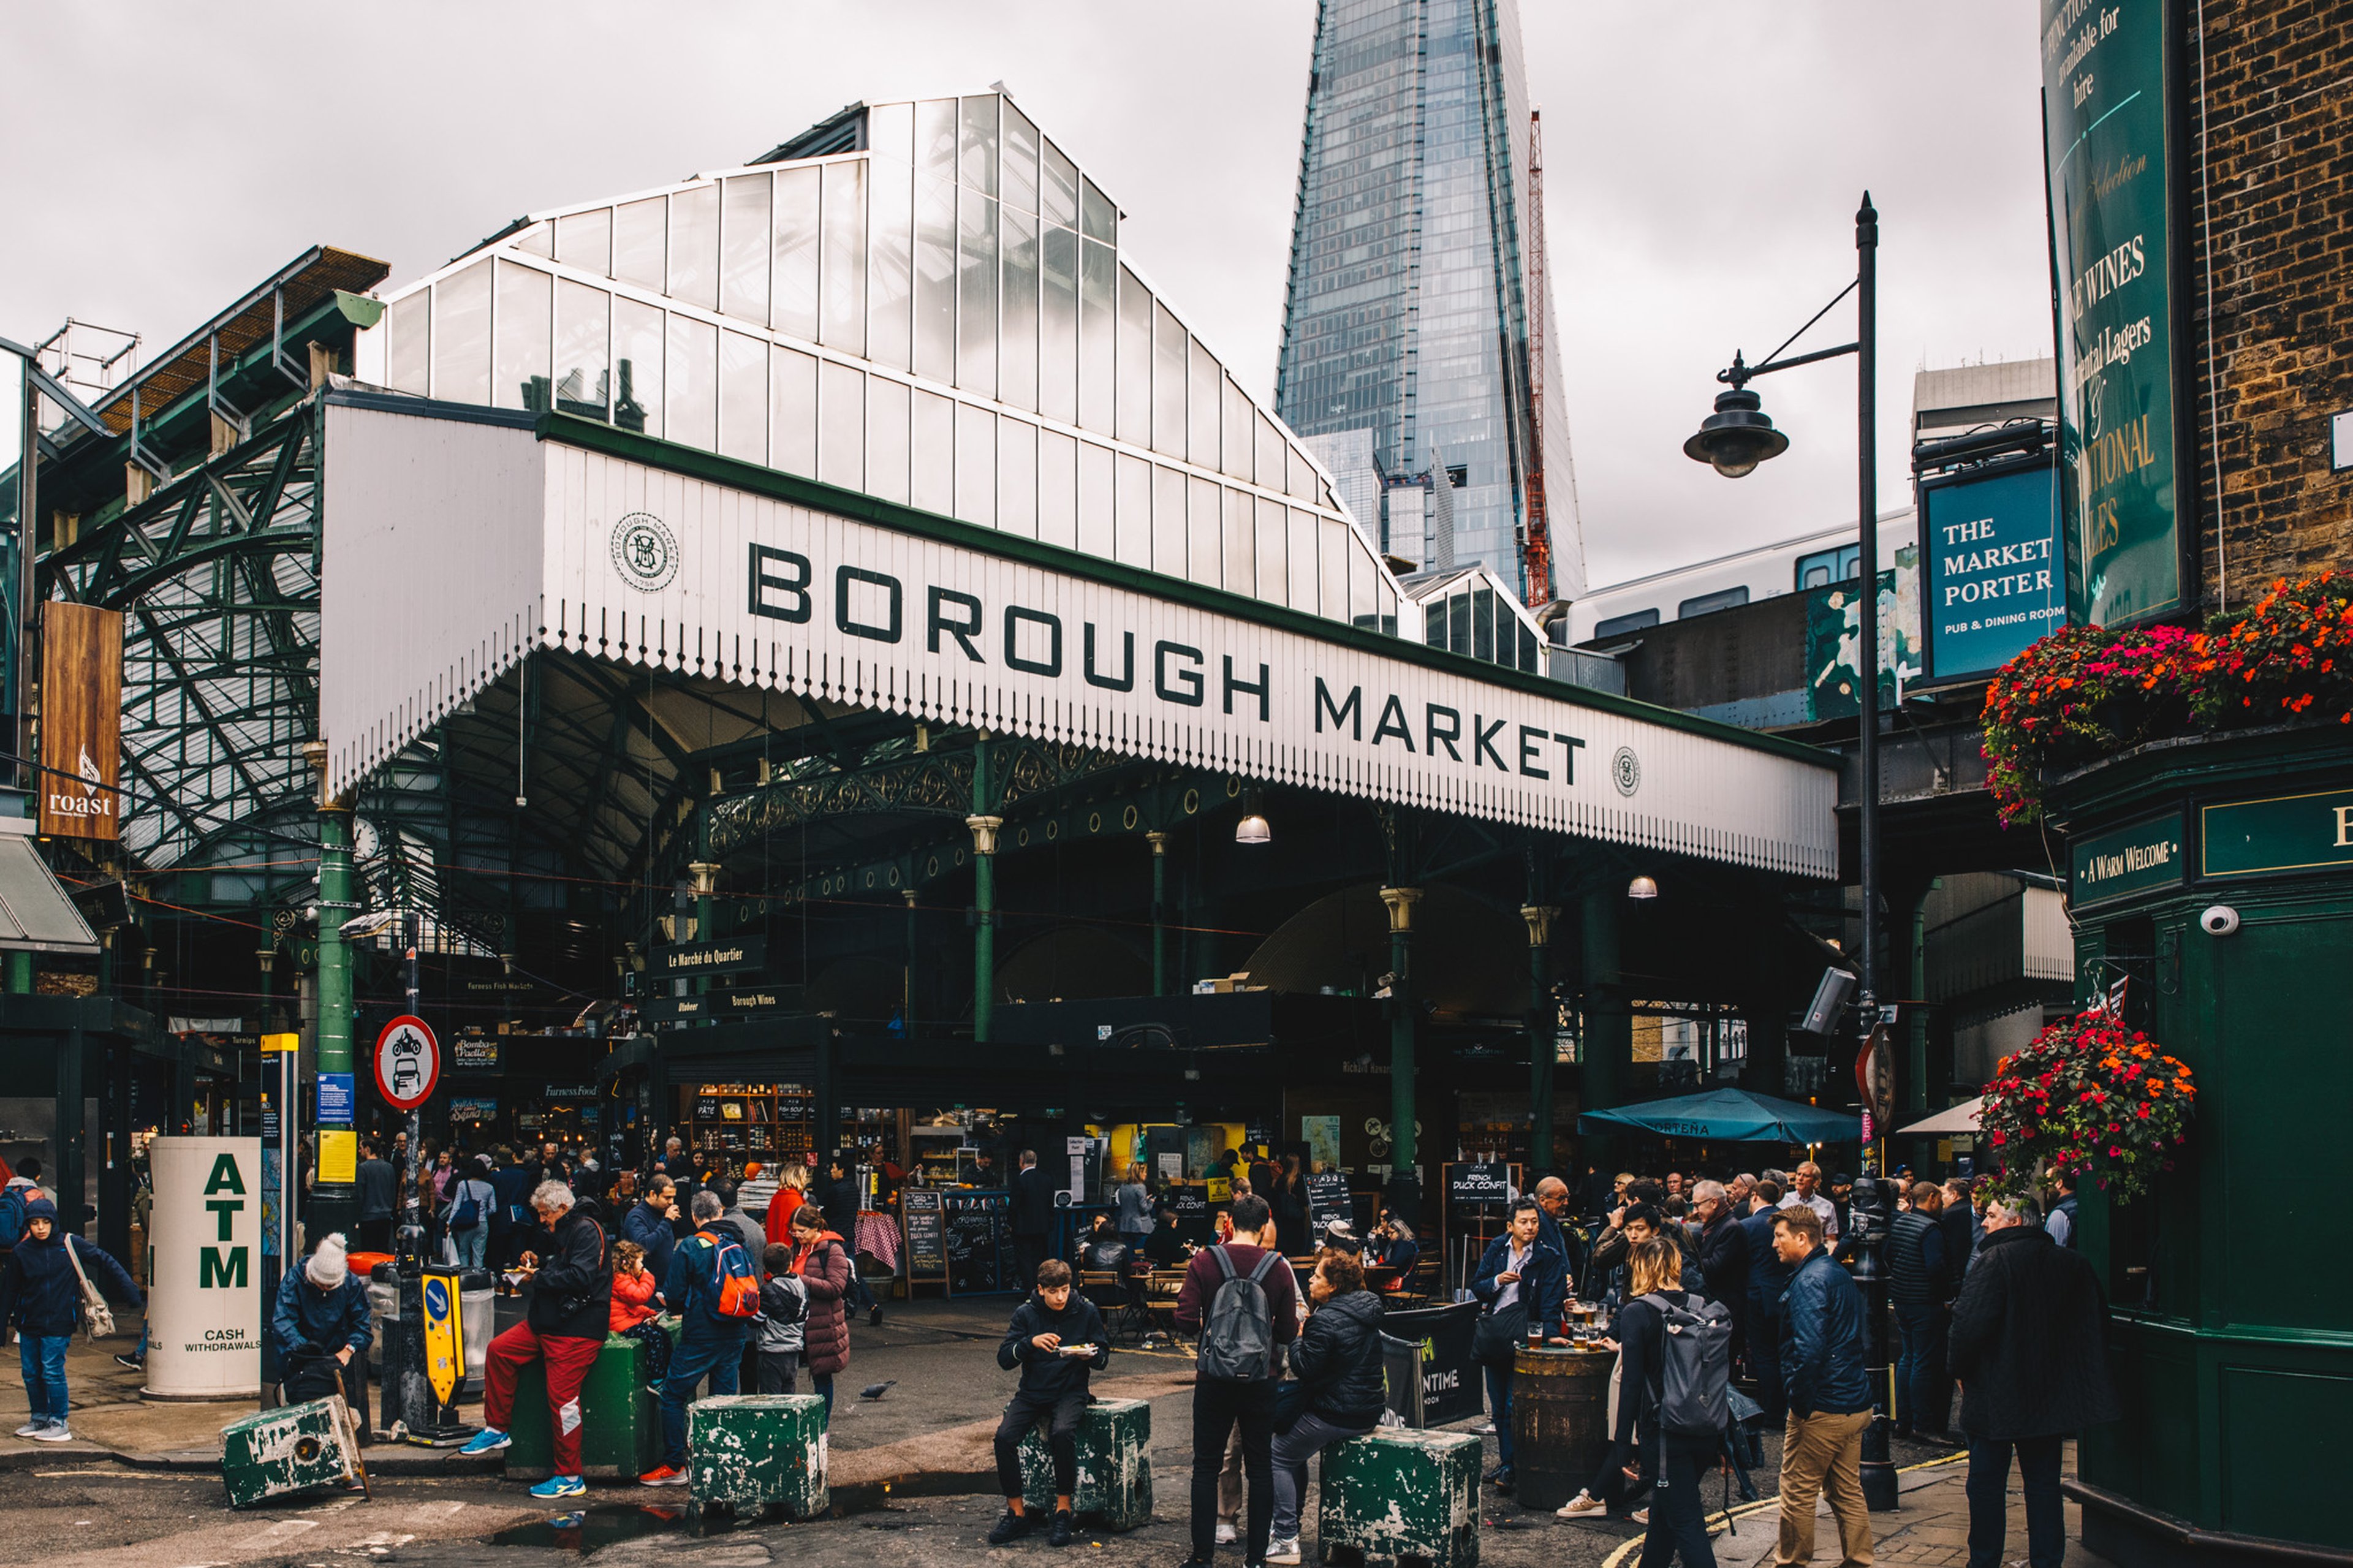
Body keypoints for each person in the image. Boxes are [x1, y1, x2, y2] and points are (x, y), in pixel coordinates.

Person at [1949, 1194, 2119, 1568]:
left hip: (1996, 1395)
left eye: (1992, 1215)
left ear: (2015, 1222)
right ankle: (2046, 1560)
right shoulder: (2072, 1262)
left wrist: (1958, 1370)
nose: (1986, 1222)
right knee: (2043, 1486)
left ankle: (1984, 1561)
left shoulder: (1995, 1260)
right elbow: (2095, 1325)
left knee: (1986, 1486)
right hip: (2047, 1396)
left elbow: (1967, 1327)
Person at [1557, 1239, 1714, 1559]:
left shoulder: (1638, 1312)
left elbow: (1631, 1385)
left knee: (1686, 1522)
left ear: (1641, 1268)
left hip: (1665, 1433)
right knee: (1664, 1518)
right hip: (1704, 1427)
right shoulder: (1701, 1305)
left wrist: (1623, 1446)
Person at [461, 1181, 612, 1499]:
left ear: (562, 1209)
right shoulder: (569, 1232)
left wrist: (537, 1277)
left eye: (545, 1214)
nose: (542, 1220)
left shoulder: (586, 1231)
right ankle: (497, 1429)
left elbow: (581, 1277)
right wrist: (539, 1262)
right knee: (499, 1351)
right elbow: (566, 1268)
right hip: (549, 1324)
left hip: (575, 1332)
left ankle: (570, 1476)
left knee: (563, 1402)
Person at [1175, 1192, 1300, 1568]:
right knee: (1260, 1468)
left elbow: (1183, 1321)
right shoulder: (1278, 1267)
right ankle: (1256, 1559)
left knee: (1205, 1466)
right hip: (1261, 1380)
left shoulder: (1204, 1261)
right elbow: (1289, 1333)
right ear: (1264, 1226)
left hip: (1213, 1379)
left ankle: (1202, 1557)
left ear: (1230, 1223)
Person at [1264, 1249, 1387, 1564]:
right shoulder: (1368, 1308)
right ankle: (1289, 1519)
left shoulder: (1325, 1320)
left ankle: (1286, 1537)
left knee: (1277, 1453)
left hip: (1336, 1413)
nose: (1310, 1279)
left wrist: (1297, 1337)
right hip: (1368, 1409)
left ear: (1333, 1286)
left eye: (1316, 1276)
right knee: (1294, 1449)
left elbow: (1305, 1368)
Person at [1772, 1204, 1873, 1568]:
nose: (1774, 1244)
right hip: (1854, 1402)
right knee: (1846, 1489)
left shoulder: (1810, 1281)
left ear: (1802, 1238)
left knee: (1797, 1490)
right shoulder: (1834, 1272)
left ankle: (1792, 1562)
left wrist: (1800, 1404)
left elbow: (1809, 1351)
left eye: (1780, 1236)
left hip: (1823, 1407)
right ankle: (1860, 1560)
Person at [988, 1258, 1112, 1548]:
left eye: (1065, 1290)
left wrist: (1090, 1355)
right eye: (1054, 1292)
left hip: (1072, 1391)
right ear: (1041, 1289)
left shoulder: (1087, 1311)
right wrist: (1029, 1343)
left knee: (1062, 1433)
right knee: (1004, 1438)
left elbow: (1104, 1359)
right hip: (1032, 1392)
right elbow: (1005, 1359)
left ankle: (1063, 1510)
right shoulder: (1026, 1314)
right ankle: (1017, 1514)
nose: (1060, 1298)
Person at [3, 1195, 142, 1442]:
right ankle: (39, 1418)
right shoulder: (22, 1252)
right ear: (28, 1225)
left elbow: (105, 1260)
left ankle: (59, 1422)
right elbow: (10, 1290)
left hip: (59, 1321)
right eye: (35, 1223)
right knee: (31, 1372)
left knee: (52, 1370)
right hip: (29, 1323)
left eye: (45, 1222)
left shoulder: (69, 1244)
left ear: (53, 1221)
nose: (41, 1228)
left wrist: (129, 1290)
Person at [639, 1190, 754, 1486]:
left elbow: (675, 1294)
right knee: (724, 1398)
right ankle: (721, 1459)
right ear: (720, 1211)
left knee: (674, 1395)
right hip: (736, 1331)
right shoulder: (738, 1241)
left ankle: (675, 1464)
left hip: (702, 1332)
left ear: (694, 1217)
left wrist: (677, 1308)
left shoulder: (691, 1246)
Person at [1469, 1196, 1568, 1492]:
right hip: (1495, 1334)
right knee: (1498, 1406)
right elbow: (1479, 1286)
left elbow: (1551, 1300)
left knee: (1516, 1404)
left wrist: (1550, 1332)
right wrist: (1498, 1280)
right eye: (1524, 1222)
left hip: (1526, 1335)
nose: (1531, 1228)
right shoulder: (1498, 1249)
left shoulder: (1548, 1256)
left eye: (1535, 1222)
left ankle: (1515, 1464)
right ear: (1510, 1225)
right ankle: (1506, 1461)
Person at [1887, 1180, 1950, 1441]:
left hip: (1902, 1298)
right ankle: (1923, 1425)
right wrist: (1946, 1295)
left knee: (1908, 1358)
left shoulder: (1901, 1222)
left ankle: (1903, 1421)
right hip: (1925, 1301)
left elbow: (1888, 1255)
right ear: (1933, 1198)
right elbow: (1936, 1268)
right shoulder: (1931, 1229)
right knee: (1923, 1362)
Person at [789, 1202, 854, 1426]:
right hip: (798, 1324)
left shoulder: (833, 1250)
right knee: (789, 1374)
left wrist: (800, 1281)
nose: (797, 1235)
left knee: (822, 1376)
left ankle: (821, 1427)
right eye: (793, 1231)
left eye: (801, 1231)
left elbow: (836, 1287)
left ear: (816, 1227)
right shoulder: (796, 1247)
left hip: (822, 1322)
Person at [609, 1239, 672, 1390]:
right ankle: (656, 1380)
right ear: (628, 1264)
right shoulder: (619, 1279)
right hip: (621, 1324)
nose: (643, 1266)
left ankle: (666, 1374)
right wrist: (647, 1276)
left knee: (663, 1334)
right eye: (640, 1262)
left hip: (626, 1320)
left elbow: (632, 1307)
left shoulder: (625, 1279)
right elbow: (640, 1296)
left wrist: (649, 1313)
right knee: (655, 1337)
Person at [756, 1243, 809, 1393]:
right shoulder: (802, 1286)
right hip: (794, 1349)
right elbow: (806, 1315)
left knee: (771, 1400)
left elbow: (756, 1320)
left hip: (771, 1350)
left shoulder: (768, 1291)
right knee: (789, 1396)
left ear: (766, 1268)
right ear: (791, 1264)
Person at [624, 1174, 681, 1287]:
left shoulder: (663, 1214)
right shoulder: (636, 1217)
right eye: (667, 1198)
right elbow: (643, 1246)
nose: (671, 1202)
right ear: (653, 1194)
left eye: (673, 1197)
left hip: (664, 1284)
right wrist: (667, 1222)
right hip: (644, 1286)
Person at [1012, 1149, 1055, 1291]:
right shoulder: (1047, 1179)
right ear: (1035, 1162)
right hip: (1042, 1227)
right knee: (1040, 1260)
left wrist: (1011, 1224)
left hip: (1023, 1228)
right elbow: (1050, 1205)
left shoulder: (1019, 1180)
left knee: (1025, 1261)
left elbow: (1014, 1206)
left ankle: (1030, 1291)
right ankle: (1041, 1289)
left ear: (1021, 1162)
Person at [1778, 1161, 1840, 1243]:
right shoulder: (1782, 1200)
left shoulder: (1827, 1206)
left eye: (1806, 1176)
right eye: (1799, 1174)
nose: (1800, 1178)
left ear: (1816, 1182)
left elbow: (1831, 1239)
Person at [354, 1140, 396, 1253]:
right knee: (382, 1249)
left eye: (361, 1148)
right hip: (385, 1215)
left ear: (367, 1149)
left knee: (368, 1250)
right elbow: (393, 1192)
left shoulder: (362, 1168)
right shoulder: (389, 1167)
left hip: (368, 1215)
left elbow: (360, 1193)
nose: (359, 1151)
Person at [1113, 1161, 1155, 1252]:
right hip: (1140, 1227)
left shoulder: (1123, 1186)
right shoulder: (1140, 1187)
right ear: (1139, 1173)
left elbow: (1127, 1202)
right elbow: (1144, 1209)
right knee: (1140, 1255)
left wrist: (1144, 1199)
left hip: (1125, 1226)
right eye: (1145, 1172)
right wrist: (1151, 1202)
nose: (1146, 1175)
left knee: (1129, 1255)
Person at [1366, 1213, 1419, 1287]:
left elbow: (1395, 1262)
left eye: (1391, 1233)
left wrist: (1378, 1266)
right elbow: (1384, 1252)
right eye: (1388, 1233)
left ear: (1400, 1232)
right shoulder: (1398, 1243)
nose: (1389, 1236)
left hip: (1402, 1282)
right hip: (1401, 1278)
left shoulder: (1403, 1244)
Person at [1273, 1153, 1309, 1258]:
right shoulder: (1298, 1181)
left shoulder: (1280, 1181)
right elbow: (1303, 1201)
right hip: (1296, 1218)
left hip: (1283, 1218)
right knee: (1297, 1246)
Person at [2044, 1171, 2080, 1249]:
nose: (2045, 1188)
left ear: (2059, 1183)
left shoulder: (2059, 1214)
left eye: (2047, 1182)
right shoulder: (2080, 1205)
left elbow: (2053, 1254)